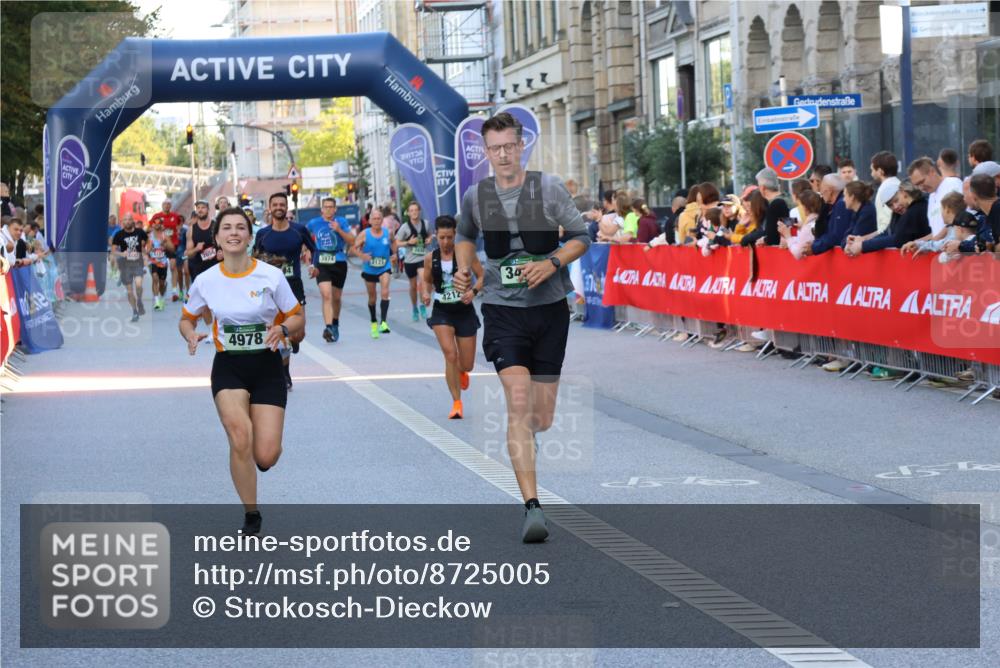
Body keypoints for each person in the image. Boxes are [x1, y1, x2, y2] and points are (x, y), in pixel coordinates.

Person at [453, 111, 591, 543]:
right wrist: (463, 271)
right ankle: (532, 506)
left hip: (548, 310)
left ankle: (528, 441)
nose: (503, 154)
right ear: (486, 152)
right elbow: (463, 235)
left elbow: (581, 235)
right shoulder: (477, 195)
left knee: (540, 417)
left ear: (521, 146)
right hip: (501, 311)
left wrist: (551, 263)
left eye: (509, 146)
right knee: (517, 402)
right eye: (494, 149)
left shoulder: (546, 188)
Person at [179, 207, 305, 536]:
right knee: (239, 437)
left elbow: (297, 316)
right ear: (217, 238)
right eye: (227, 228)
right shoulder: (206, 280)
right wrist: (190, 334)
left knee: (265, 455)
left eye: (240, 227)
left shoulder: (270, 276)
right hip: (229, 367)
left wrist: (285, 330)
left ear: (249, 236)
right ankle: (251, 514)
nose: (233, 232)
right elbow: (186, 318)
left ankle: (261, 449)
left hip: (266, 367)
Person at [422, 215, 484, 419]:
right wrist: (425, 293)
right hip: (442, 310)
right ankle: (457, 403)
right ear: (435, 236)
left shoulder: (465, 254)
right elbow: (427, 281)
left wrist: (473, 292)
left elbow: (483, 276)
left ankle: (462, 372)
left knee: (466, 364)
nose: (446, 242)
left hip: (464, 310)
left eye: (449, 237)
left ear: (455, 234)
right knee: (450, 354)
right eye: (442, 238)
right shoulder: (431, 258)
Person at [253, 192, 315, 389]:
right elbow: (255, 258)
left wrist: (314, 264)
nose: (279, 207)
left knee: (298, 335)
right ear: (269, 208)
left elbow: (315, 248)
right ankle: (284, 373)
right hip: (271, 289)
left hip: (294, 285)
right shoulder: (263, 234)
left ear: (286, 207)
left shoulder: (299, 230)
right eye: (275, 204)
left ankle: (291, 342)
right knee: (279, 333)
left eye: (282, 204)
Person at [306, 197, 355, 343]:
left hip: (339, 261)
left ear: (335, 209)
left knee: (336, 298)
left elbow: (352, 240)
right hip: (322, 261)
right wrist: (307, 249)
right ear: (322, 209)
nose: (328, 209)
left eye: (331, 207)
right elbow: (303, 236)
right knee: (326, 295)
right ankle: (328, 327)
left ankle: (335, 323)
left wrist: (339, 229)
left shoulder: (342, 221)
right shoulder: (314, 223)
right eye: (325, 207)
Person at [846, 181, 929, 255]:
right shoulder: (897, 215)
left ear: (904, 193)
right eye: (890, 205)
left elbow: (897, 239)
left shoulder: (917, 209)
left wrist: (863, 245)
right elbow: (888, 233)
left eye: (896, 200)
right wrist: (863, 240)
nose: (895, 207)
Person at [354, 206, 397, 338]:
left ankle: (383, 322)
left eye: (379, 218)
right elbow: (353, 249)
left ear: (382, 220)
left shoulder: (387, 232)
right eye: (374, 219)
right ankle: (374, 321)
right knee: (372, 298)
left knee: (385, 292)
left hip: (384, 267)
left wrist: (394, 254)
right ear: (370, 221)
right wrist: (362, 256)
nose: (377, 221)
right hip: (370, 269)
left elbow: (393, 243)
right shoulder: (364, 234)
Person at [396, 201, 433, 321]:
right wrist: (408, 242)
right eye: (411, 211)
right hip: (410, 260)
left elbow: (430, 235)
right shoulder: (405, 227)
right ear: (408, 213)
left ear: (419, 211)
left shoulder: (425, 224)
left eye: (416, 210)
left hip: (423, 257)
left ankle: (422, 305)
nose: (414, 213)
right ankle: (414, 308)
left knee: (423, 282)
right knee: (412, 286)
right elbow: (396, 243)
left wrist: (428, 240)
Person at [908, 156, 962, 235]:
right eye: (917, 185)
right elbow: (935, 233)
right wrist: (917, 243)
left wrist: (933, 243)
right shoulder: (931, 197)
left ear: (932, 171)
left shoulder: (953, 184)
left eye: (922, 181)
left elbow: (956, 221)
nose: (921, 187)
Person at [185, 200, 220, 325]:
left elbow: (225, 244)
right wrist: (196, 249)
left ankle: (218, 325)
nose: (200, 210)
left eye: (203, 207)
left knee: (217, 299)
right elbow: (187, 253)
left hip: (216, 268)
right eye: (198, 208)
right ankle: (211, 329)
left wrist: (221, 253)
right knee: (204, 301)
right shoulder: (191, 230)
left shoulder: (216, 226)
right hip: (199, 269)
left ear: (208, 209)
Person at [110, 214, 149, 322]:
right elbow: (113, 250)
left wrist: (146, 251)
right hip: (125, 265)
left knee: (138, 285)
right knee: (129, 291)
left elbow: (147, 241)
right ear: (122, 222)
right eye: (125, 220)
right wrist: (122, 254)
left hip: (138, 263)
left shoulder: (140, 232)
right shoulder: (119, 234)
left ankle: (139, 301)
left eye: (129, 219)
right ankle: (134, 311)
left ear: (133, 221)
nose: (127, 221)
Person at [743, 169, 789, 247]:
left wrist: (764, 239)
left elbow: (773, 236)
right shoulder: (788, 199)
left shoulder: (775, 204)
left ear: (762, 188)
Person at [149, 200, 183, 302]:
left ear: (171, 206)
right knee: (157, 275)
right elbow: (149, 227)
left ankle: (174, 291)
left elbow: (180, 224)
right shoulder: (156, 216)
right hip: (159, 247)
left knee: (173, 265)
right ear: (162, 205)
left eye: (169, 204)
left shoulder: (175, 216)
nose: (167, 206)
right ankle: (161, 287)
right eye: (165, 204)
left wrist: (178, 231)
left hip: (172, 244)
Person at [782, 189, 823, 260]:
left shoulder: (809, 226)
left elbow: (798, 253)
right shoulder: (819, 220)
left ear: (805, 207)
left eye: (801, 205)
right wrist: (802, 227)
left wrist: (788, 236)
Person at [146, 215, 175, 310]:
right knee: (155, 278)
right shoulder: (149, 237)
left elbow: (172, 249)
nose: (157, 225)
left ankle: (162, 297)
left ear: (161, 225)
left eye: (159, 223)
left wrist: (165, 244)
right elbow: (147, 250)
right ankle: (156, 301)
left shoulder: (165, 236)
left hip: (163, 262)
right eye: (155, 223)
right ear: (153, 225)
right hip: (153, 261)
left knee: (162, 283)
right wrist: (150, 248)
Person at [870, 151, 901, 232]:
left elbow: (886, 223)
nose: (871, 174)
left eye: (872, 170)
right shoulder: (897, 184)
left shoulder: (886, 189)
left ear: (880, 171)